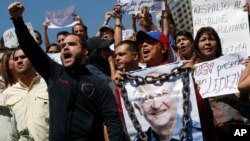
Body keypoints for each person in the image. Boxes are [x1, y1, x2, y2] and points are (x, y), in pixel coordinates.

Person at [8, 2, 125, 141]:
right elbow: (31, 49)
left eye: (72, 44)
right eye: (63, 45)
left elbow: (113, 123)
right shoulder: (54, 73)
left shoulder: (99, 85)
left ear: (85, 51)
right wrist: (17, 20)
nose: (65, 48)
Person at [3, 48, 49, 141]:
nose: (19, 61)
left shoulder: (49, 86)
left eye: (23, 57)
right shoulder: (7, 94)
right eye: (15, 59)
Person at [133, 75, 179, 141]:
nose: (156, 106)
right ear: (138, 108)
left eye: (163, 94)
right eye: (147, 98)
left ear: (176, 97)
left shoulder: (198, 131)